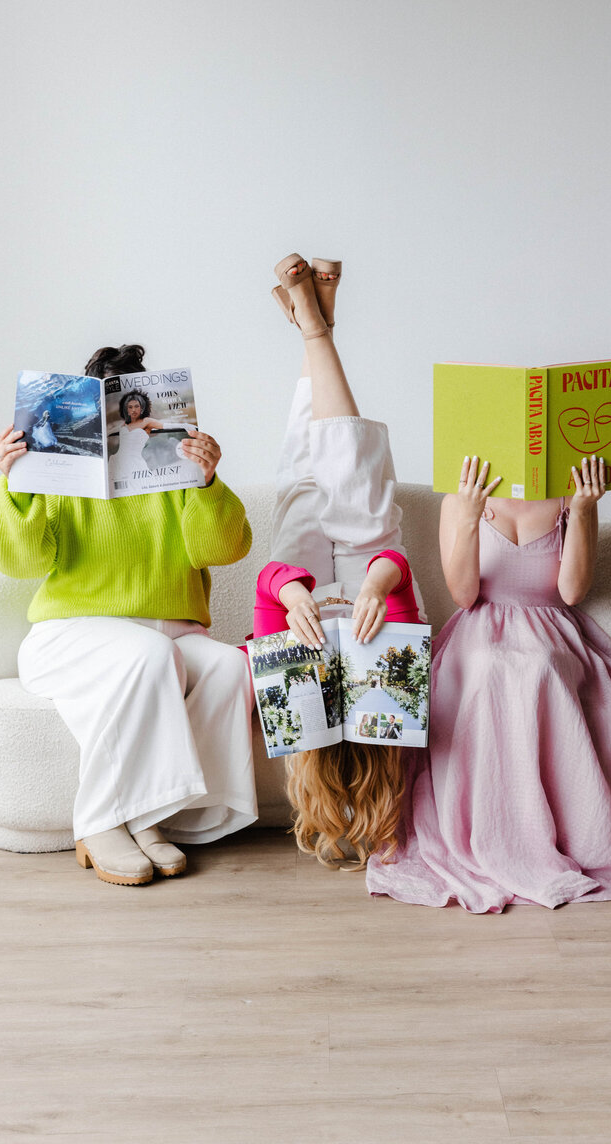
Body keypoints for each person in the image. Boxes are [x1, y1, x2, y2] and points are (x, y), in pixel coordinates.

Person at [0, 343, 256, 886]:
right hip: (70, 635)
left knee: (230, 667)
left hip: (167, 631)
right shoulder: (62, 470)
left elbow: (224, 549)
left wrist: (205, 481)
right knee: (148, 654)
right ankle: (100, 820)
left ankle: (149, 814)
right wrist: (17, 483)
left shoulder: (173, 463)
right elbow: (22, 562)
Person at [366, 453, 611, 912]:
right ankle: (497, 837)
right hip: (479, 630)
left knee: (541, 666)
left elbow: (571, 592)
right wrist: (470, 517)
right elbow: (464, 594)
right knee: (492, 666)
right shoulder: (458, 499)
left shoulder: (570, 497)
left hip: (551, 630)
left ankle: (545, 838)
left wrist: (586, 508)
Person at [254, 253, 425, 868]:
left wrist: (292, 594)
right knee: (351, 488)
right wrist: (376, 586)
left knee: (303, 463)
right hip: (364, 557)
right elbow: (394, 567)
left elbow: (266, 585)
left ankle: (314, 317)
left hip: (304, 575)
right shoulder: (394, 694)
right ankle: (316, 324)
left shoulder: (295, 710)